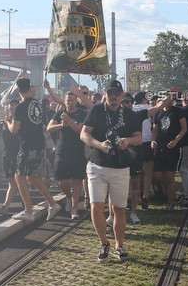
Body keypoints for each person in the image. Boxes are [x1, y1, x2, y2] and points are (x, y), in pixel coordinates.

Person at [80, 79, 143, 261]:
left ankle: (119, 245)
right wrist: (99, 144)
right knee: (96, 206)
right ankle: (103, 243)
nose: (114, 96)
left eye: (117, 93)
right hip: (97, 165)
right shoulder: (97, 110)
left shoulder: (130, 115)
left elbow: (138, 138)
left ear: (121, 95)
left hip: (120, 167)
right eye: (110, 93)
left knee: (119, 209)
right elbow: (84, 133)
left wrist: (128, 141)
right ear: (105, 94)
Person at [8, 78, 62, 222]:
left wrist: (7, 122)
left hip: (27, 145)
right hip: (39, 143)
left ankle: (29, 210)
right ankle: (52, 203)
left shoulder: (20, 107)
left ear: (18, 90)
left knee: (19, 176)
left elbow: (14, 130)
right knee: (32, 177)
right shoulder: (37, 103)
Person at [47, 89, 89, 219]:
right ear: (64, 102)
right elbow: (49, 128)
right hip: (61, 150)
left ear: (76, 101)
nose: (70, 103)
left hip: (77, 151)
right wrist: (62, 124)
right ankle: (69, 198)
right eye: (68, 101)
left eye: (72, 100)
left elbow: (79, 129)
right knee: (61, 181)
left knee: (77, 181)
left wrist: (68, 122)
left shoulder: (82, 113)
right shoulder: (60, 113)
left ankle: (74, 209)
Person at [0, 99, 21, 216]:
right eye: (11, 105)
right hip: (7, 154)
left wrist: (8, 123)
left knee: (18, 180)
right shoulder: (3, 122)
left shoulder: (21, 120)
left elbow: (15, 131)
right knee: (12, 180)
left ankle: (7, 205)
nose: (12, 107)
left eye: (15, 105)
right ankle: (17, 203)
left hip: (20, 153)